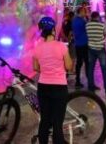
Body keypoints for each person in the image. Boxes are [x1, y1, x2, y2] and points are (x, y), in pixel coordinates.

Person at [32, 16, 73, 144]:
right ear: (53, 30)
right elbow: (69, 66)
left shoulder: (37, 47)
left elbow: (35, 68)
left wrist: (46, 68)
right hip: (59, 87)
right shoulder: (61, 46)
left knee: (44, 121)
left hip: (43, 87)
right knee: (57, 123)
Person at [85, 11, 106, 98]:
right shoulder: (102, 25)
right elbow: (104, 35)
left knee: (91, 69)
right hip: (100, 49)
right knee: (104, 70)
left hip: (90, 48)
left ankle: (91, 89)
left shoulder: (87, 25)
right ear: (97, 17)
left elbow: (88, 35)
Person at [71, 7, 89, 89]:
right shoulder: (82, 21)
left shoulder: (74, 20)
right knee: (87, 62)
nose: (85, 13)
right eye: (84, 11)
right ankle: (90, 81)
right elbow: (87, 28)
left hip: (78, 44)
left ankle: (77, 81)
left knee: (79, 63)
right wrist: (87, 17)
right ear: (80, 12)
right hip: (84, 44)